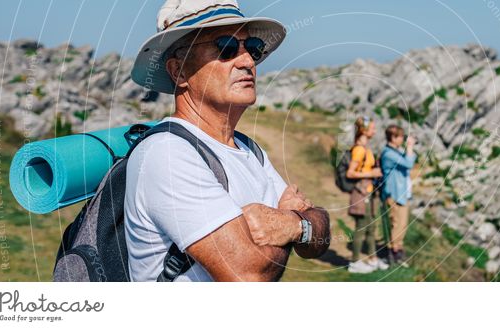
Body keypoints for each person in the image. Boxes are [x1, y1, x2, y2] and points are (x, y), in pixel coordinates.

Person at [124, 0, 330, 281]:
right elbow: (248, 274)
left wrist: (294, 225)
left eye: (253, 48)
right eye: (225, 47)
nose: (247, 61)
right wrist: (292, 220)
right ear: (179, 71)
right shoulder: (167, 153)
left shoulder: (249, 150)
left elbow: (319, 238)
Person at [345, 116, 389, 273]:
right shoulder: (359, 149)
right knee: (361, 228)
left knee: (371, 228)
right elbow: (350, 173)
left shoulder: (365, 147)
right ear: (364, 130)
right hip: (361, 194)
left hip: (368, 193)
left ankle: (372, 258)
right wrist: (372, 172)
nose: (375, 130)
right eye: (372, 128)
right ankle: (354, 262)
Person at [379, 125, 417, 265]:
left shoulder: (396, 151)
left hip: (402, 193)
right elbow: (408, 163)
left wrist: (408, 149)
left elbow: (411, 159)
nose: (403, 139)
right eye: (400, 136)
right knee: (396, 224)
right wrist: (410, 147)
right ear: (393, 137)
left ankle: (398, 249)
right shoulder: (388, 153)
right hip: (393, 193)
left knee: (402, 224)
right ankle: (392, 253)